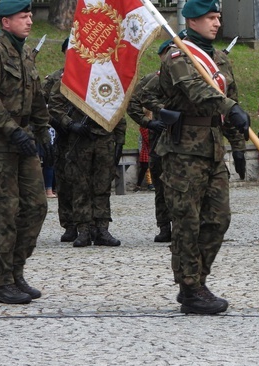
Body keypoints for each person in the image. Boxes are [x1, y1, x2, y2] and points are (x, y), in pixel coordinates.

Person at [154, 0, 250, 315]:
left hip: (212, 148)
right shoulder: (177, 54)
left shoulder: (220, 58)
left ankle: (196, 281)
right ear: (192, 21)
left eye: (219, 17)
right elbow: (197, 91)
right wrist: (230, 108)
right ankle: (191, 287)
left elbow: (229, 101)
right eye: (211, 18)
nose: (218, 23)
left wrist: (237, 146)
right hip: (182, 152)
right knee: (187, 223)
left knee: (218, 219)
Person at [0, 0, 50, 304]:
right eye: (22, 16)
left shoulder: (25, 53)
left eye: (30, 15)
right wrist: (12, 131)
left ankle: (15, 272)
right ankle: (1, 282)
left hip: (24, 143)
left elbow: (37, 96)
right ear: (6, 22)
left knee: (36, 207)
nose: (29, 20)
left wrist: (43, 133)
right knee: (5, 213)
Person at [49, 80, 126, 248]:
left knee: (103, 185)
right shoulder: (71, 76)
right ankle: (83, 229)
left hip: (104, 137)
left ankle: (102, 229)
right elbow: (54, 104)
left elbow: (118, 106)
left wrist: (120, 139)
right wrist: (70, 123)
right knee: (80, 185)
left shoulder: (107, 75)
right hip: (80, 139)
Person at [127, 40, 175, 243]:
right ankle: (164, 227)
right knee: (161, 184)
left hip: (185, 139)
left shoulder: (189, 77)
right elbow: (133, 102)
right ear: (162, 56)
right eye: (170, 52)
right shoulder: (152, 80)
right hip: (160, 138)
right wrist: (148, 123)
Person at [43, 38, 77, 242]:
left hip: (85, 136)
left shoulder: (91, 75)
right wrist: (56, 124)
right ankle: (69, 224)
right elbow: (40, 105)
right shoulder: (54, 78)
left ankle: (90, 223)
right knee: (64, 182)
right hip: (64, 136)